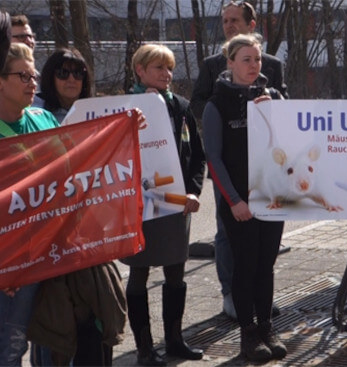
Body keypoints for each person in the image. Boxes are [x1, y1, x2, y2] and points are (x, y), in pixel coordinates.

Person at [26, 48, 125, 367]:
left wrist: (132, 123)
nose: (72, 79)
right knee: (56, 322)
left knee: (95, 315)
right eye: (63, 72)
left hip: (91, 233)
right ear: (49, 76)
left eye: (79, 73)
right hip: (50, 237)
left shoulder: (100, 113)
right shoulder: (36, 115)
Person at [190, 0, 287, 321]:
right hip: (230, 169)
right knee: (227, 233)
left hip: (267, 170)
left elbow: (285, 106)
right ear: (231, 61)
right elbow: (199, 103)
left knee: (264, 246)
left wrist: (273, 99)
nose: (228, 25)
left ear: (252, 24)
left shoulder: (272, 64)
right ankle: (231, 294)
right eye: (225, 20)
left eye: (234, 20)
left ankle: (260, 300)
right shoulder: (212, 64)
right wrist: (229, 104)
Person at [120, 44, 205, 366]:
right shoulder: (125, 107)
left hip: (176, 203)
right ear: (140, 71)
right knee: (139, 275)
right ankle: (144, 349)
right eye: (158, 68)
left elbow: (197, 156)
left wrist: (194, 191)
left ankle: (175, 340)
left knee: (175, 274)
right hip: (140, 206)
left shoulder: (181, 106)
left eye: (169, 68)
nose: (166, 74)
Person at [0, 42, 59, 366]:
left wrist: (128, 127)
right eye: (22, 76)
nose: (32, 82)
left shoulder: (44, 118)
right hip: (9, 268)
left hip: (50, 255)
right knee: (9, 350)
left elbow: (80, 164)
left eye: (33, 74)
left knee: (53, 342)